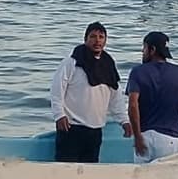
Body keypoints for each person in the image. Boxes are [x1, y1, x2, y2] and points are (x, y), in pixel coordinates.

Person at [49, 22, 131, 163]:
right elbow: (57, 89)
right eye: (93, 36)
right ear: (85, 39)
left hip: (95, 129)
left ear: (105, 40)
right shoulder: (72, 63)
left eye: (101, 37)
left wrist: (124, 121)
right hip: (71, 127)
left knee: (89, 170)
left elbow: (115, 97)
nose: (97, 40)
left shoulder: (108, 65)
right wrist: (59, 115)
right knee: (66, 170)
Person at [125, 31, 178, 163]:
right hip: (170, 139)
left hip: (145, 136)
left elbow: (133, 106)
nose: (143, 51)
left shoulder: (138, 72)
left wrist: (137, 136)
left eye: (144, 48)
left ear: (152, 49)